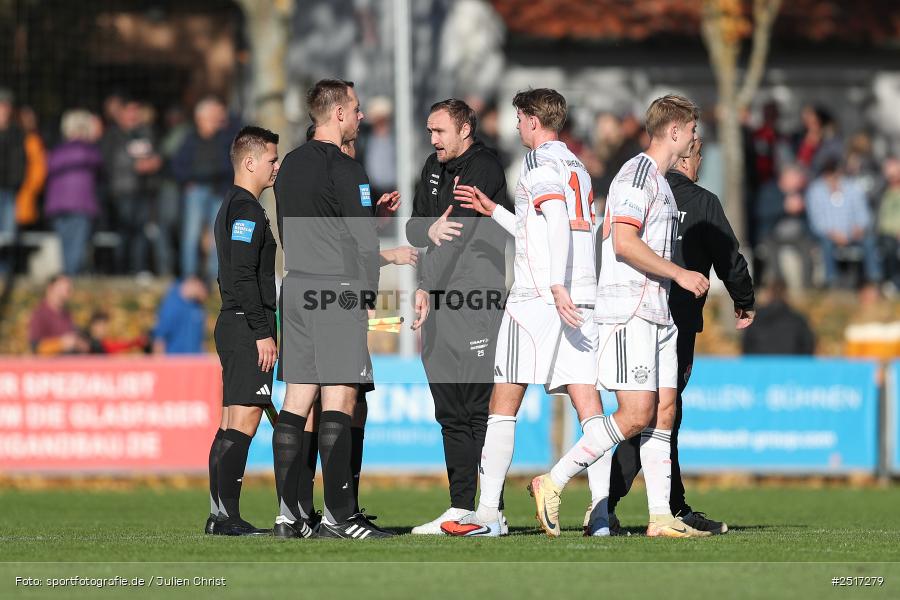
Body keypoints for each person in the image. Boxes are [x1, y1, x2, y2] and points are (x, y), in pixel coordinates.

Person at [526, 94, 713, 539]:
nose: (694, 138)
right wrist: (680, 274)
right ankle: (553, 480)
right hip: (629, 309)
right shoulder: (636, 174)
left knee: (664, 411)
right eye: (690, 130)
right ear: (674, 131)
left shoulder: (662, 182)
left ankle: (661, 516)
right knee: (635, 414)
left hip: (658, 309)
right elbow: (624, 243)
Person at [440, 88, 603, 537]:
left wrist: (551, 284)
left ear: (532, 119)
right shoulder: (578, 168)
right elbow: (542, 228)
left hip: (538, 299)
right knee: (588, 404)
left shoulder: (539, 166)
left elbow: (552, 221)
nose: (515, 125)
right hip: (580, 297)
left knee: (503, 403)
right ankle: (602, 514)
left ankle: (489, 514)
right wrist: (495, 211)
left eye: (519, 117)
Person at [604, 137, 755, 536]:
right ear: (689, 156)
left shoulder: (646, 189)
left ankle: (670, 507)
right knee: (651, 416)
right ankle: (603, 500)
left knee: (657, 415)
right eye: (700, 151)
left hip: (630, 315)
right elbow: (729, 257)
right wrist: (745, 299)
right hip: (674, 321)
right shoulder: (701, 202)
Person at [273, 79, 391, 539]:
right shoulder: (346, 167)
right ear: (338, 114)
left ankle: (290, 516)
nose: (361, 117)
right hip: (336, 290)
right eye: (357, 110)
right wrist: (367, 297)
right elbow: (363, 243)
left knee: (298, 398)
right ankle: (341, 518)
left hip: (297, 285)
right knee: (340, 396)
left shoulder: (287, 166)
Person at [403, 99, 510, 534]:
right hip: (438, 301)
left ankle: (491, 510)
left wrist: (424, 283)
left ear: (465, 129)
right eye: (430, 131)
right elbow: (416, 228)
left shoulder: (484, 167)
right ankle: (460, 506)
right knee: (448, 408)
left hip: (476, 300)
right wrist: (425, 231)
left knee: (477, 406)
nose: (433, 140)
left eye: (439, 131)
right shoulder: (431, 167)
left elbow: (458, 237)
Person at [204, 125, 280, 536]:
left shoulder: (231, 205)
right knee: (244, 420)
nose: (276, 167)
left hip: (233, 323)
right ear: (249, 162)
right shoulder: (247, 209)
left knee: (230, 419)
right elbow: (241, 275)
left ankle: (219, 514)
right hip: (245, 325)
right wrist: (261, 330)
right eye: (271, 159)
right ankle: (227, 517)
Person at [172, 97, 234, 280]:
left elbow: (230, 164)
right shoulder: (189, 139)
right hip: (196, 190)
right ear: (201, 118)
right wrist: (188, 181)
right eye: (214, 115)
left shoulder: (225, 138)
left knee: (218, 236)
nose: (219, 119)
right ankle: (189, 276)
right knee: (191, 234)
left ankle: (216, 276)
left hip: (219, 190)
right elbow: (177, 165)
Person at [99, 96, 161, 274]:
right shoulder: (113, 135)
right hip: (123, 191)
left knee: (141, 232)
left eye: (136, 112)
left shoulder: (146, 133)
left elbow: (156, 153)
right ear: (121, 114)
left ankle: (138, 270)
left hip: (143, 191)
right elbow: (109, 161)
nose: (134, 116)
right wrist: (135, 165)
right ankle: (121, 270)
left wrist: (155, 161)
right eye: (130, 112)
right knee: (125, 232)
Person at [45, 110, 104, 275]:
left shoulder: (56, 152)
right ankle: (70, 280)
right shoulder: (89, 151)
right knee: (77, 246)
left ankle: (66, 278)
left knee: (65, 246)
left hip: (57, 205)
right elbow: (100, 169)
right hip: (81, 204)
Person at [806, 158, 882, 287]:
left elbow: (863, 213)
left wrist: (859, 227)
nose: (833, 178)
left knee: (870, 241)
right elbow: (816, 221)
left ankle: (874, 279)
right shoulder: (815, 190)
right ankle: (832, 280)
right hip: (829, 235)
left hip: (853, 233)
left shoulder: (852, 187)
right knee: (826, 244)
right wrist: (833, 233)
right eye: (829, 174)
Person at [742, 279, 815, 355]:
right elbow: (808, 348)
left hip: (761, 364)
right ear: (786, 295)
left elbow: (746, 348)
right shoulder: (798, 320)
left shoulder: (754, 320)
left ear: (768, 294)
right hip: (791, 364)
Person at [28, 275, 89, 355]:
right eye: (61, 289)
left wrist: (78, 344)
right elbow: (35, 347)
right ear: (50, 288)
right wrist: (60, 344)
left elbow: (80, 343)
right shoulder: (40, 314)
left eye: (68, 290)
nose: (65, 293)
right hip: (50, 365)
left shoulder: (67, 315)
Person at [0, 88, 25, 274]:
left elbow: (20, 163)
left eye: (7, 106)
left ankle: (5, 273)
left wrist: (16, 182)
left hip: (9, 191)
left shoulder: (17, 133)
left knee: (8, 237)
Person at [151, 276, 208, 354]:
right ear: (196, 284)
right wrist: (160, 363)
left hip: (195, 361)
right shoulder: (171, 305)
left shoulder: (197, 305)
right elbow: (160, 338)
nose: (204, 297)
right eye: (203, 291)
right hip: (175, 361)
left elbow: (201, 338)